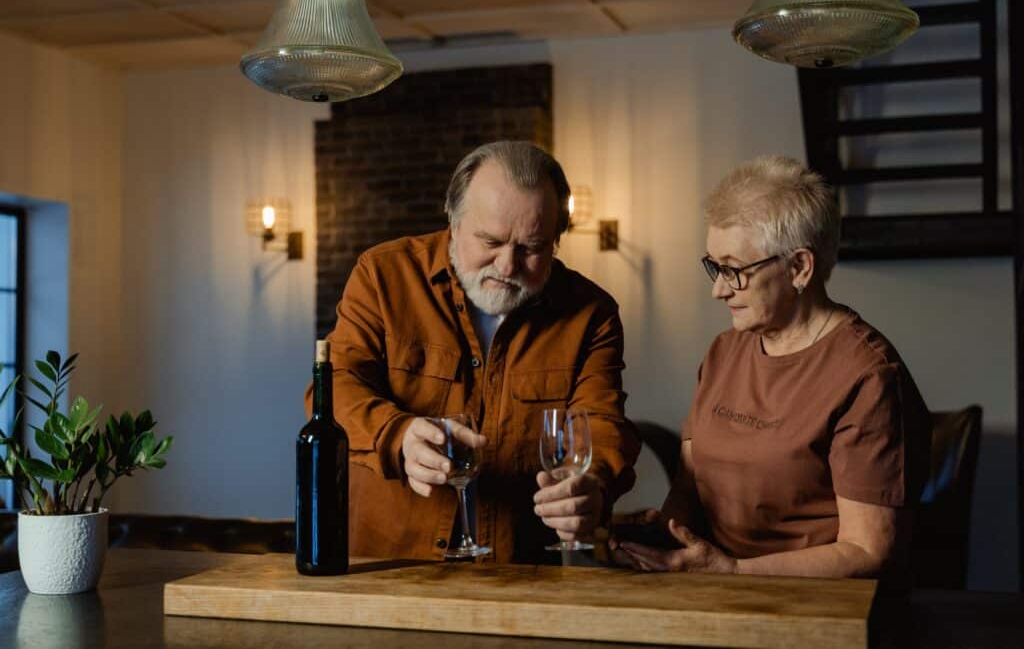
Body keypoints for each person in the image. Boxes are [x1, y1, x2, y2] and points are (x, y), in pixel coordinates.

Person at [308, 140, 640, 563]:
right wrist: (397, 434)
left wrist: (592, 482)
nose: (507, 266)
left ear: (557, 238)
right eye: (491, 241)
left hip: (521, 575)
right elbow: (334, 387)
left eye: (532, 248)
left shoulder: (592, 313)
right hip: (386, 568)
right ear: (453, 220)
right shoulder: (382, 276)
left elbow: (603, 422)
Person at [612, 155, 930, 579]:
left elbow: (868, 551)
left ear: (799, 267)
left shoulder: (869, 376)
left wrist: (734, 571)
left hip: (812, 608)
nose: (719, 290)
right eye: (714, 267)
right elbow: (689, 492)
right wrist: (662, 541)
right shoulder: (724, 352)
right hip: (713, 589)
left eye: (733, 270)